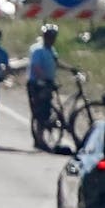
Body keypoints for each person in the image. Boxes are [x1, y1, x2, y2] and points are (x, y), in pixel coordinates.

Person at [28, 24, 76, 152]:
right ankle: (39, 138)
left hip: (47, 82)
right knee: (41, 110)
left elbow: (56, 62)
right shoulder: (38, 50)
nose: (51, 39)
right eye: (49, 36)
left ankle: (41, 137)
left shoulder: (51, 50)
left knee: (47, 108)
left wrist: (70, 69)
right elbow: (36, 67)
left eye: (53, 37)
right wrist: (44, 79)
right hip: (38, 83)